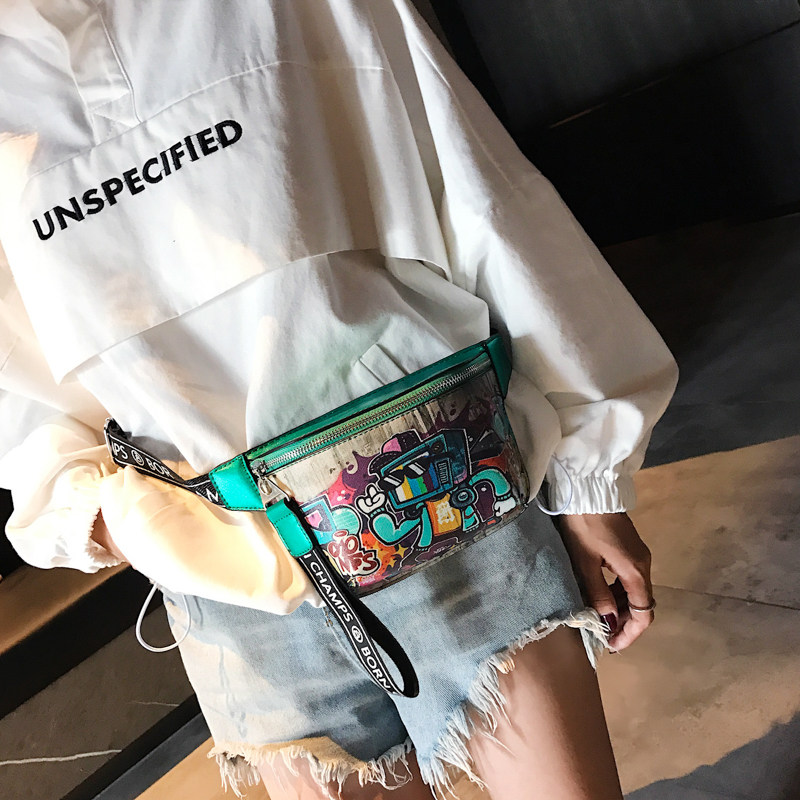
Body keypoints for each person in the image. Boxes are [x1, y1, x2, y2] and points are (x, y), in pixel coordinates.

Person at [0, 1, 678, 798]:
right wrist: (116, 521)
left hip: (447, 496)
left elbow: (474, 190)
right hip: (233, 583)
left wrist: (591, 474)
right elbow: (27, 405)